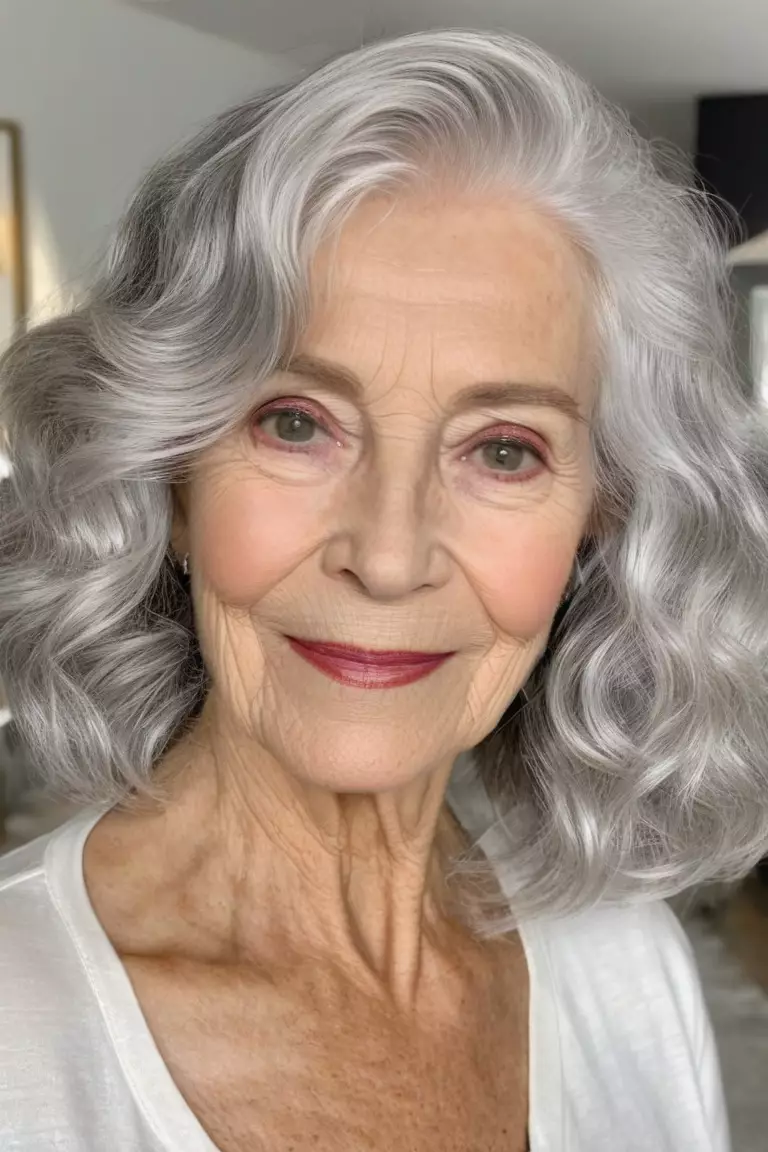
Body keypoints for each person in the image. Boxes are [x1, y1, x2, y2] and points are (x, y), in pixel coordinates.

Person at [0, 27, 766, 1152]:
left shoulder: (629, 973)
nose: (391, 554)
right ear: (168, 477)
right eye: (297, 424)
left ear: (604, 519)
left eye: (505, 449)